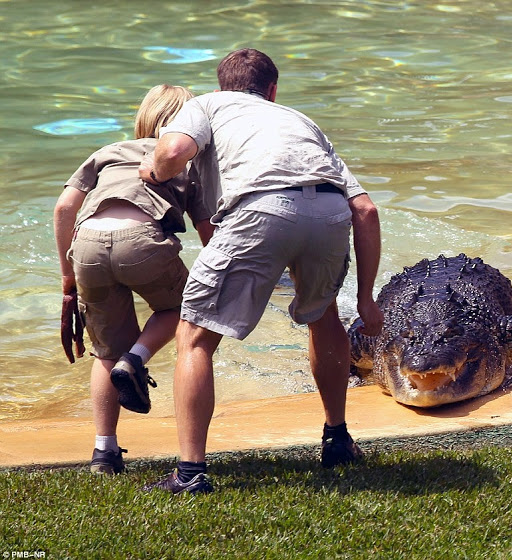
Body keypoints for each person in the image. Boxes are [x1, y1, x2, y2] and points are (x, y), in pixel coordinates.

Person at [139, 49, 384, 495]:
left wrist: (153, 170)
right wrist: (366, 298)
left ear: (220, 87)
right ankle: (337, 439)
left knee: (194, 335)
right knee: (323, 315)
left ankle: (190, 474)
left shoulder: (207, 105)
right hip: (329, 211)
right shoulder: (299, 120)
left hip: (261, 208)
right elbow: (364, 209)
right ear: (272, 90)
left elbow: (173, 150)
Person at [53, 85, 216, 475]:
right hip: (142, 240)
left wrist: (67, 279)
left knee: (105, 349)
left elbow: (64, 208)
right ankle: (136, 360)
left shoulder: (109, 151)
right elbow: (207, 228)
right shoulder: (187, 163)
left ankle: (104, 454)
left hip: (87, 243)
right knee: (185, 308)